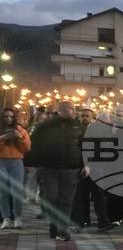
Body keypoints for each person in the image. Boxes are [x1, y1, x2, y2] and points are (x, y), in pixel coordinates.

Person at [30, 101, 87, 241]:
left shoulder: (78, 127)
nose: (75, 112)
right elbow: (35, 145)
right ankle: (54, 224)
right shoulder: (45, 126)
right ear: (63, 110)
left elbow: (85, 147)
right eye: (73, 109)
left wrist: (87, 165)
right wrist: (34, 163)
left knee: (66, 201)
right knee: (52, 198)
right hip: (49, 168)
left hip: (71, 169)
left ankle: (62, 229)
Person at [0, 107, 31, 230]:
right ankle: (6, 218)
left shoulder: (21, 130)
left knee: (17, 191)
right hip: (1, 162)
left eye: (11, 116)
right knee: (3, 192)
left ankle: (17, 217)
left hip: (16, 162)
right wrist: (2, 139)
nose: (8, 119)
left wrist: (20, 138)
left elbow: (27, 148)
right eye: (6, 116)